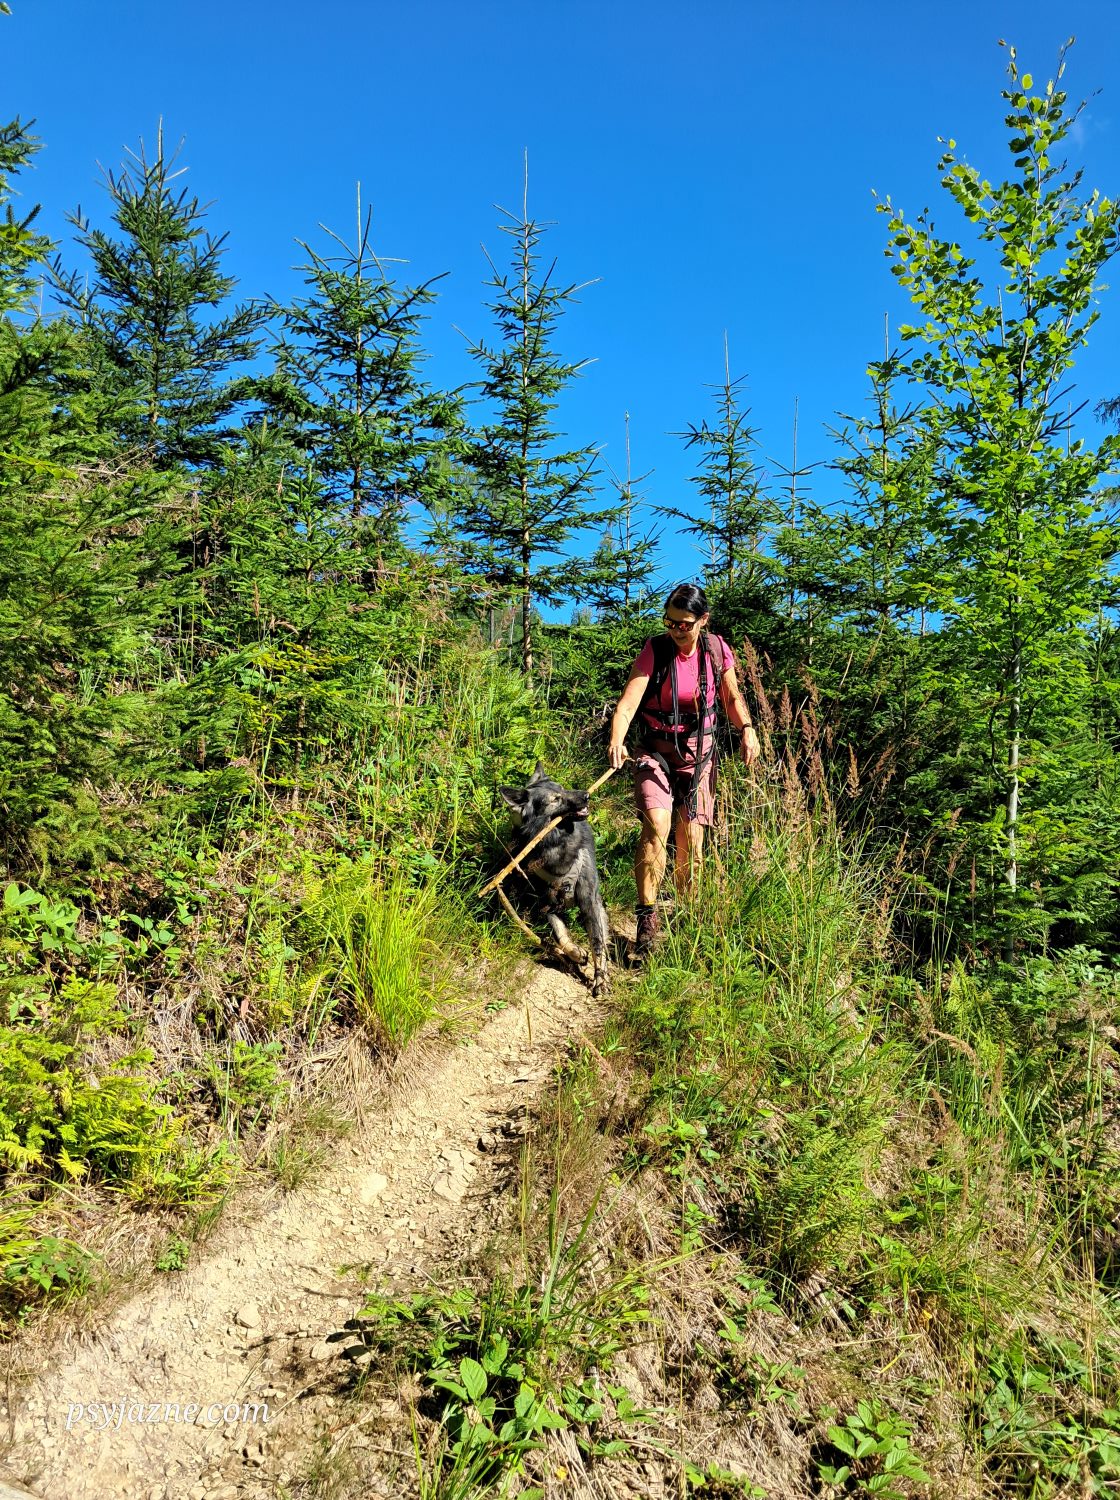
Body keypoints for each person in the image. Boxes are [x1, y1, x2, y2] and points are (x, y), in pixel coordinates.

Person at [608, 583, 760, 956]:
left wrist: (748, 730)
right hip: (654, 752)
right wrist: (617, 739)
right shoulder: (655, 650)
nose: (676, 630)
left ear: (702, 621)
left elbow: (731, 698)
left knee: (691, 841)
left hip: (699, 754)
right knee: (656, 826)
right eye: (671, 622)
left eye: (685, 624)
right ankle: (646, 919)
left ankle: (690, 922)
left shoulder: (715, 650)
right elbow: (628, 703)